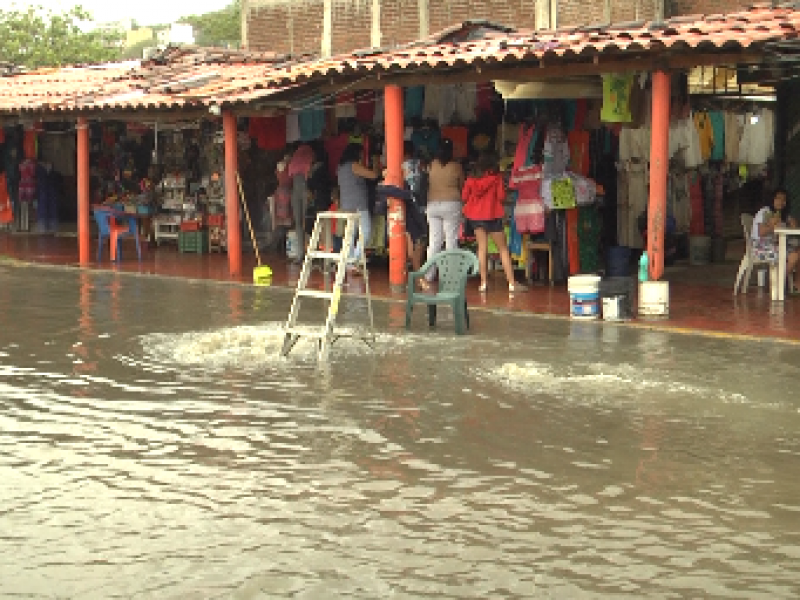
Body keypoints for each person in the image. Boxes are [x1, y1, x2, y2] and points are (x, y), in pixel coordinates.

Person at [462, 152, 527, 294]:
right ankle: (511, 283)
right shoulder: (496, 178)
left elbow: (464, 196)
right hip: (492, 215)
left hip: (475, 216)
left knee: (482, 248)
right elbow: (501, 196)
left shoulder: (471, 178)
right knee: (503, 249)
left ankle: (483, 283)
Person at [423, 138, 464, 289]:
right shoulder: (456, 166)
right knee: (451, 240)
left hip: (432, 204)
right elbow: (462, 185)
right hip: (451, 204)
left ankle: (429, 275)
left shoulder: (431, 165)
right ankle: (450, 275)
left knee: (434, 242)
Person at [337, 143, 380, 273]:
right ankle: (356, 259)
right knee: (366, 231)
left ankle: (350, 263)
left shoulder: (340, 168)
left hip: (346, 204)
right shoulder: (354, 166)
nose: (362, 156)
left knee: (350, 234)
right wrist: (375, 163)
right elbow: (373, 175)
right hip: (358, 204)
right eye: (361, 154)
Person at [752, 188, 800, 293]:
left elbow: (794, 229)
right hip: (760, 248)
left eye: (784, 200)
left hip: (777, 246)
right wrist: (771, 224)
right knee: (794, 255)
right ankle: (778, 283)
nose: (781, 202)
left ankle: (792, 284)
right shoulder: (765, 212)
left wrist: (791, 221)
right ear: (772, 199)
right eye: (778, 198)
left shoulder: (782, 215)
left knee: (797, 252)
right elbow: (761, 233)